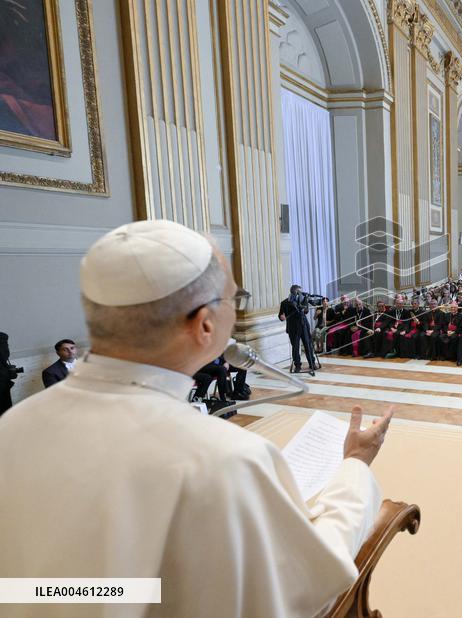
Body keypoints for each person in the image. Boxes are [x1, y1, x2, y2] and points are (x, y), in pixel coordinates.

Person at [0, 219, 395, 617]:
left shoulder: (11, 429)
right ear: (205, 323)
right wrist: (355, 467)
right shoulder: (224, 460)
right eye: (233, 299)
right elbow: (307, 583)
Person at [279, 285, 318, 374]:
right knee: (295, 347)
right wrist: (282, 317)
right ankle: (297, 365)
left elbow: (306, 311)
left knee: (308, 345)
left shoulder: (303, 300)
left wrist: (305, 308)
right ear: (294, 292)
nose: (300, 293)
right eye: (299, 291)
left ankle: (312, 363)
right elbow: (280, 315)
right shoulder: (285, 302)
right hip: (293, 328)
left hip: (303, 325)